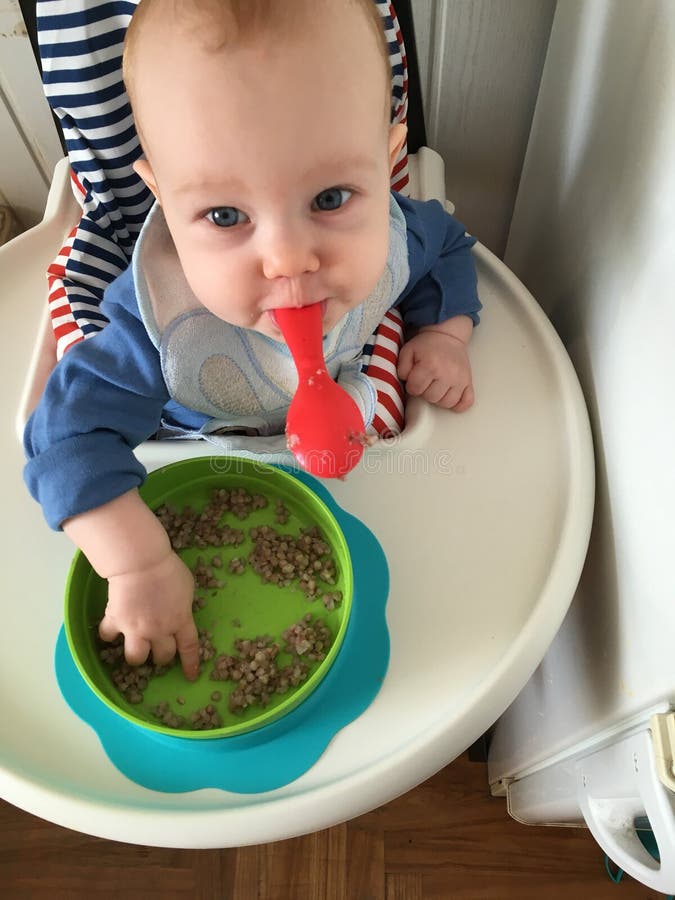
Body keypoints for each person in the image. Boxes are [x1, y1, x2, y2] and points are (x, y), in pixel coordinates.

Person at [24, 0, 482, 681]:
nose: (289, 259)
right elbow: (62, 440)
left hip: (384, 485)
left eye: (330, 199)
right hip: (197, 443)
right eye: (225, 215)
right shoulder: (158, 329)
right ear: (166, 202)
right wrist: (136, 560)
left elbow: (446, 246)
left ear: (383, 168)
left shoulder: (393, 236)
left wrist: (446, 332)